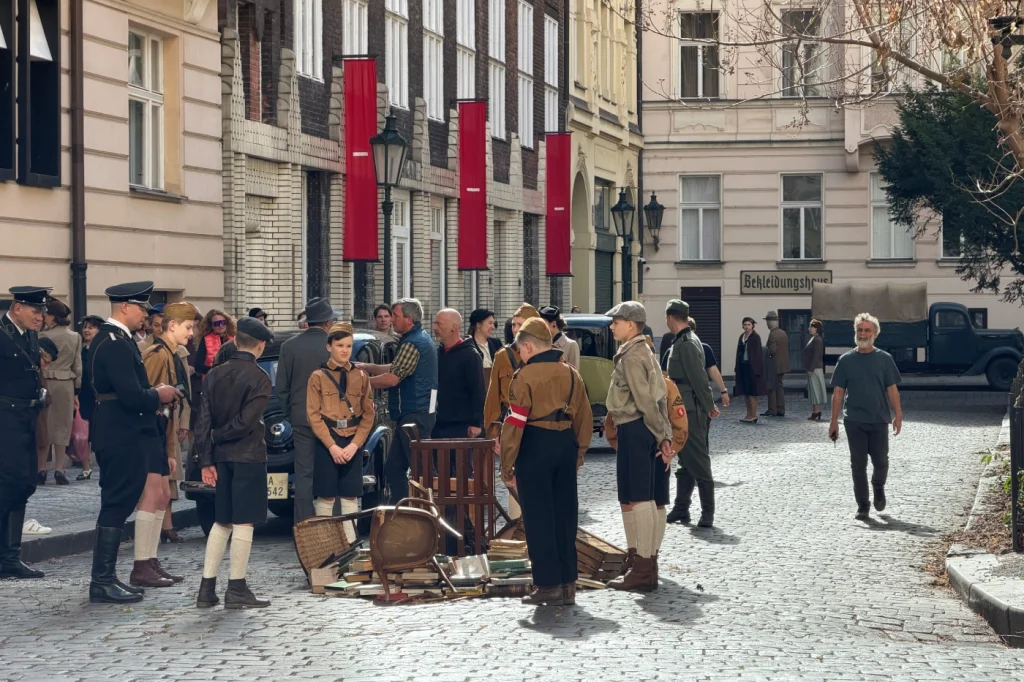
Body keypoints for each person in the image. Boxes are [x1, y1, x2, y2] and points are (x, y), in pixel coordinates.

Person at [87, 282, 181, 603]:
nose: (145, 314)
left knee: (120, 502)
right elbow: (129, 395)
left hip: (122, 431)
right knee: (115, 504)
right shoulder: (112, 342)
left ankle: (106, 577)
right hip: (120, 434)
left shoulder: (119, 340)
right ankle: (101, 580)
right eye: (142, 308)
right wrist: (159, 394)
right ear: (125, 307)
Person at [500, 317, 591, 605]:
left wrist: (507, 464)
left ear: (528, 346)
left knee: (539, 517)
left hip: (534, 443)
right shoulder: (572, 373)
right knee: (565, 515)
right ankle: (568, 584)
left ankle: (548, 585)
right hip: (565, 443)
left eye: (520, 350)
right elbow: (584, 418)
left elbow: (514, 423)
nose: (520, 355)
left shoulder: (524, 377)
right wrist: (578, 454)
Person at [193, 317, 275, 609]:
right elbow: (245, 423)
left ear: (236, 341)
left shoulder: (214, 374)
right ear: (261, 345)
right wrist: (218, 438)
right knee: (243, 522)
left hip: (221, 458)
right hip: (248, 455)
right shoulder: (260, 378)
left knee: (222, 520)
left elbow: (201, 421)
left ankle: (207, 588)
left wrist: (206, 456)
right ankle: (236, 587)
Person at [600, 302, 672, 593]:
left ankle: (643, 567)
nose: (612, 326)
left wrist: (661, 435)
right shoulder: (643, 351)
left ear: (631, 325)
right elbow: (659, 397)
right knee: (635, 495)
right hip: (641, 428)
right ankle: (642, 562)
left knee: (640, 495)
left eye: (616, 321)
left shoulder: (632, 356)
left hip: (635, 427)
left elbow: (645, 401)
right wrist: (662, 434)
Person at [604, 361, 688, 584]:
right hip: (634, 449)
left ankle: (651, 556)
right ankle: (634, 553)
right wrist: (620, 445)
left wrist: (673, 448)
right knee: (628, 500)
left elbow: (679, 419)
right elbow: (612, 419)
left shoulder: (666, 385)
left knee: (656, 500)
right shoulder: (627, 386)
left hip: (660, 450)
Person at [138, 302, 198, 585]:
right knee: (152, 497)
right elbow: (144, 400)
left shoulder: (172, 355)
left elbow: (170, 409)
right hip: (147, 434)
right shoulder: (157, 355)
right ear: (171, 326)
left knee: (162, 496)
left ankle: (151, 561)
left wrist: (170, 450)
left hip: (161, 435)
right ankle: (142, 565)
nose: (192, 333)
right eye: (188, 327)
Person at [358, 299, 438, 503]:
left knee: (422, 470)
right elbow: (397, 367)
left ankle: (431, 515)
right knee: (394, 467)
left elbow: (393, 378)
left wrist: (359, 383)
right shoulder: (417, 338)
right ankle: (403, 512)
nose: (392, 320)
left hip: (414, 414)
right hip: (413, 413)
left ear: (409, 319)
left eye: (395, 315)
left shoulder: (412, 342)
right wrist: (369, 366)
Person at [828, 313, 902, 521]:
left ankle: (878, 487)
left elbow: (892, 390)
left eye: (867, 330)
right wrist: (834, 421)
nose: (863, 334)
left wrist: (898, 414)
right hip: (854, 420)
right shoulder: (846, 360)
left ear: (875, 334)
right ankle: (863, 505)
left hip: (879, 419)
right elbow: (838, 393)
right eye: (860, 330)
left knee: (881, 462)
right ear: (855, 333)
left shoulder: (884, 359)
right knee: (857, 464)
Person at [0, 286, 52, 578]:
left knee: (23, 484)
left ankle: (10, 557)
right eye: (35, 311)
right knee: (7, 483)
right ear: (17, 307)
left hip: (26, 417)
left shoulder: (30, 335)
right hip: (4, 418)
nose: (40, 317)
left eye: (42, 311)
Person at [306, 322, 374, 544]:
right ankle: (325, 544)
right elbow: (313, 415)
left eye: (348, 345)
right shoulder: (317, 376)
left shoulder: (361, 376)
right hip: (328, 439)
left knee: (350, 494)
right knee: (325, 494)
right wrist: (331, 445)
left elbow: (368, 414)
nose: (344, 350)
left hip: (353, 439)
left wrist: (355, 445)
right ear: (329, 347)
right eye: (339, 345)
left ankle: (351, 542)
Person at [277, 297, 339, 521]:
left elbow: (282, 387)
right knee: (333, 471)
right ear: (327, 322)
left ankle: (303, 525)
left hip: (301, 416)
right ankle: (334, 523)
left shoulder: (289, 346)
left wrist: (290, 413)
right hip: (332, 420)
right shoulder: (335, 346)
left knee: (304, 473)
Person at [483, 303, 541, 522]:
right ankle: (518, 531)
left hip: (537, 426)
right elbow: (493, 398)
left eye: (521, 324)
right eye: (514, 324)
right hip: (511, 424)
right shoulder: (502, 356)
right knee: (511, 476)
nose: (515, 329)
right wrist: (493, 433)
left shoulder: (550, 357)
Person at [663, 301, 720, 527]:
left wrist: (708, 406)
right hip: (682, 408)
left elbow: (698, 379)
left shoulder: (686, 343)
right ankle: (681, 509)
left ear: (670, 317)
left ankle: (708, 513)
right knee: (685, 462)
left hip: (689, 410)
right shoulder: (683, 340)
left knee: (699, 460)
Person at [40, 299, 81, 486]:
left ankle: (41, 469)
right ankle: (59, 469)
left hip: (45, 381)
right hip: (66, 384)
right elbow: (78, 366)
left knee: (44, 425)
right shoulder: (74, 337)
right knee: (63, 427)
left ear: (53, 317)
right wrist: (76, 393)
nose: (44, 318)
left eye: (46, 315)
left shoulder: (41, 335)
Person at [433, 309, 485, 440]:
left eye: (439, 324)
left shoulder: (470, 355)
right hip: (437, 423)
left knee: (459, 460)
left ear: (453, 327)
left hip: (461, 426)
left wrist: (476, 423)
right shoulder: (437, 353)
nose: (434, 328)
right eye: (434, 323)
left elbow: (478, 390)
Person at [76, 315, 105, 480]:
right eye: (85, 327)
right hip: (84, 394)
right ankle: (85, 467)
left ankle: (102, 464)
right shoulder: (80, 349)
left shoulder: (102, 348)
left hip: (99, 394)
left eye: (91, 327)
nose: (87, 330)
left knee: (99, 430)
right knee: (84, 431)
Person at [687, 319, 729, 406]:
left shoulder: (704, 348)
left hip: (699, 391)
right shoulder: (673, 349)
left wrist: (723, 391)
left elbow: (713, 371)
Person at [734, 317, 767, 423]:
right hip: (743, 365)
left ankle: (753, 415)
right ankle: (748, 414)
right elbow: (738, 352)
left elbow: (757, 354)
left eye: (748, 325)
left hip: (752, 367)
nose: (746, 327)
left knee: (752, 392)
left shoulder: (755, 337)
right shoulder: (742, 337)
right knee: (745, 392)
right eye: (745, 324)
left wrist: (757, 370)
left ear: (752, 325)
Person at [193, 310, 235, 383]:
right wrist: (217, 370)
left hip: (232, 381)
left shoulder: (234, 339)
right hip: (212, 383)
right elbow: (198, 366)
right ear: (211, 326)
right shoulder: (205, 340)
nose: (221, 326)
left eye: (223, 322)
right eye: (217, 323)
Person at [763, 310, 790, 417]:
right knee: (779, 386)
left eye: (767, 322)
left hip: (774, 365)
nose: (767, 324)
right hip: (783, 365)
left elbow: (772, 350)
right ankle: (781, 408)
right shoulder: (783, 333)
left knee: (771, 387)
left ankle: (772, 409)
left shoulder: (773, 334)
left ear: (770, 322)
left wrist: (764, 350)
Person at [467, 308, 502, 376]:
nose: (493, 327)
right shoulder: (467, 346)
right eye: (490, 323)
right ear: (478, 324)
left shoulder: (496, 343)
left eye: (494, 323)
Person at [804, 319, 826, 421]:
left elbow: (816, 356)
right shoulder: (814, 338)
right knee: (813, 391)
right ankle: (815, 411)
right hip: (812, 367)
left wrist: (811, 368)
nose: (809, 329)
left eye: (811, 327)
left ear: (816, 329)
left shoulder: (817, 340)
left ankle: (817, 411)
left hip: (815, 368)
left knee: (815, 390)